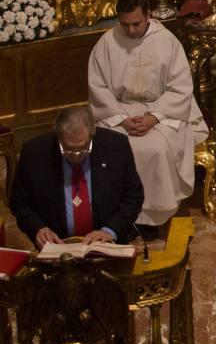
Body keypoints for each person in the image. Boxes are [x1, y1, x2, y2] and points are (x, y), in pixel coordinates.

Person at [87, 0, 207, 238]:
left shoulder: (167, 42)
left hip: (162, 110)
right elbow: (97, 87)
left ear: (148, 16)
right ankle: (118, 217)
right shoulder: (107, 43)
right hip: (119, 111)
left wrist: (154, 117)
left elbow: (180, 87)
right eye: (125, 24)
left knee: (154, 148)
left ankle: (152, 218)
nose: (130, 31)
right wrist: (121, 118)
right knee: (112, 147)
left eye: (136, 24)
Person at [10, 105, 144, 248]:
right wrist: (38, 228)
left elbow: (133, 197)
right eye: (68, 149)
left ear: (92, 134)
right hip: (57, 246)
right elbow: (20, 203)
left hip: (107, 245)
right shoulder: (34, 153)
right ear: (58, 138)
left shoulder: (116, 146)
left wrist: (110, 230)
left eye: (83, 147)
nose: (76, 155)